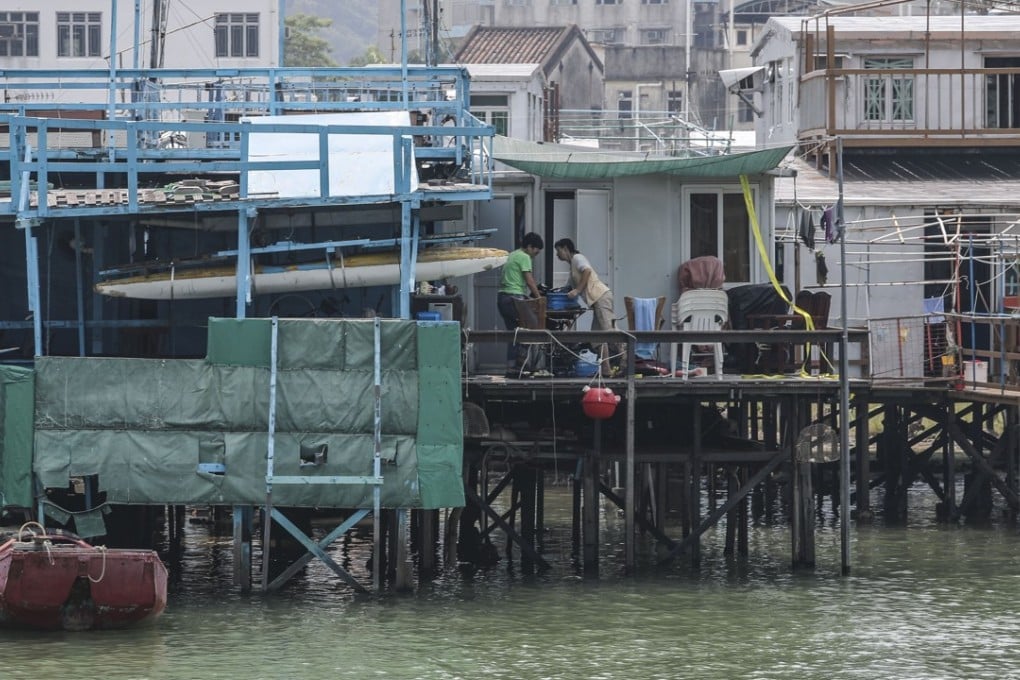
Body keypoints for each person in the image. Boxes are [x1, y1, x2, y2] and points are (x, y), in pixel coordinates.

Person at [554, 237, 616, 373]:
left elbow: (587, 271)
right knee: (597, 337)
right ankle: (606, 370)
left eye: (558, 251)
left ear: (565, 249)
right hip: (596, 301)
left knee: (610, 332)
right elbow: (567, 287)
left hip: (601, 296)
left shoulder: (577, 258)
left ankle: (625, 363)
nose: (557, 255)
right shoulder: (572, 266)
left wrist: (577, 290)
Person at [498, 232, 544, 374]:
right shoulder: (524, 257)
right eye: (535, 251)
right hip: (514, 298)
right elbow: (529, 280)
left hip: (502, 298)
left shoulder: (512, 254)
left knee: (514, 333)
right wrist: (539, 298)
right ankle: (522, 364)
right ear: (530, 247)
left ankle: (512, 367)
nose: (534, 255)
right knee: (530, 327)